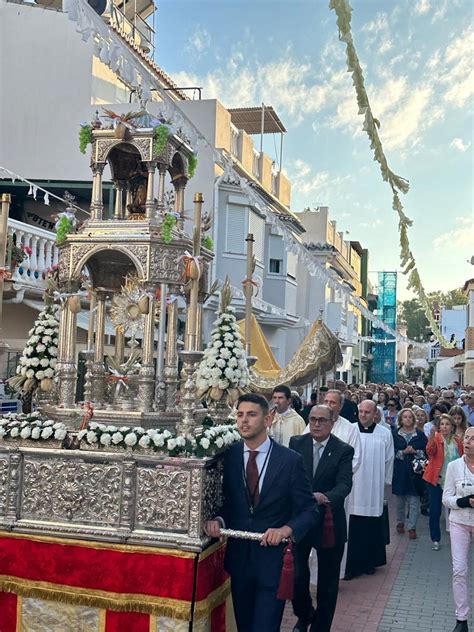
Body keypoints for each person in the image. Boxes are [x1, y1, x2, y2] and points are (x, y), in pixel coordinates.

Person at [204, 393, 320, 632]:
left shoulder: (290, 461)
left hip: (273, 562)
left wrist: (286, 529)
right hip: (239, 561)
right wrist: (218, 519)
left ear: (268, 419)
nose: (244, 420)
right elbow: (230, 503)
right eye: (240, 415)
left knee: (265, 627)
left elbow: (309, 510)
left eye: (251, 414)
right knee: (245, 626)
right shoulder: (230, 456)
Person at [289, 404, 354, 632]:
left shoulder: (343, 450)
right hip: (301, 521)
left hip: (330, 523)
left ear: (332, 422)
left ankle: (321, 627)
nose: (316, 424)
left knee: (327, 583)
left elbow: (345, 484)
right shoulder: (297, 443)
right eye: (313, 419)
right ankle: (304, 614)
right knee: (297, 575)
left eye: (321, 420)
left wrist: (325, 497)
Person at [344, 400, 394, 579]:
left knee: (369, 526)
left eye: (367, 412)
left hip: (373, 487)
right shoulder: (349, 430)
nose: (363, 415)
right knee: (352, 527)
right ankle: (350, 565)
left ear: (375, 414)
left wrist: (385, 483)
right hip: (352, 487)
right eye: (361, 412)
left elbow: (389, 459)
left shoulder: (385, 433)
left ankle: (368, 562)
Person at [442, 426, 474, 632]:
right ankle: (461, 619)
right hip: (460, 522)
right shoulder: (454, 466)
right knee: (459, 570)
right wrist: (464, 501)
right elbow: (446, 498)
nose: (470, 441)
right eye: (468, 437)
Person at [423, 414, 463, 550]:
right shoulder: (436, 438)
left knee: (454, 508)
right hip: (436, 479)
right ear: (439, 426)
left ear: (452, 427)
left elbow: (462, 457)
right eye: (442, 424)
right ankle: (435, 539)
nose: (445, 426)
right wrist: (431, 439)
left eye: (447, 424)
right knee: (435, 510)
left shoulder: (457, 441)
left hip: (453, 480)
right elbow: (429, 451)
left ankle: (457, 536)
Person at [392, 408, 428, 539]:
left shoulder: (419, 434)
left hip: (415, 472)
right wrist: (402, 452)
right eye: (405, 417)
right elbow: (391, 451)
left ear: (413, 419)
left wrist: (415, 451)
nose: (407, 419)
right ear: (401, 419)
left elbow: (426, 451)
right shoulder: (395, 434)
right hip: (400, 471)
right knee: (400, 499)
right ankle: (400, 521)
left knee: (414, 501)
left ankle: (412, 527)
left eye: (410, 417)